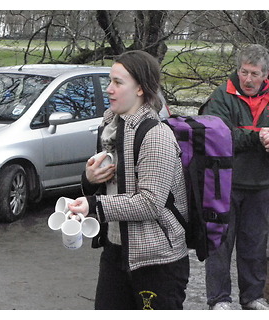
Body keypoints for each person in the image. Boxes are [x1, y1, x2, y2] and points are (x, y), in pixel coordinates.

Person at [68, 50, 190, 310]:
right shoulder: (111, 127)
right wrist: (89, 179)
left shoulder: (156, 136)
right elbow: (109, 187)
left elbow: (150, 203)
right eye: (110, 81)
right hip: (115, 251)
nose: (109, 89)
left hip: (157, 261)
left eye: (118, 83)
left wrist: (94, 205)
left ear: (140, 89)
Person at [200, 44, 269, 310]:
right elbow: (220, 136)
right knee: (219, 243)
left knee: (255, 244)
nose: (248, 79)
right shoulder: (222, 95)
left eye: (254, 74)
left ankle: (253, 297)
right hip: (224, 183)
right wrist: (259, 136)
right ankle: (219, 299)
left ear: (265, 74)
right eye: (244, 72)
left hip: (261, 184)